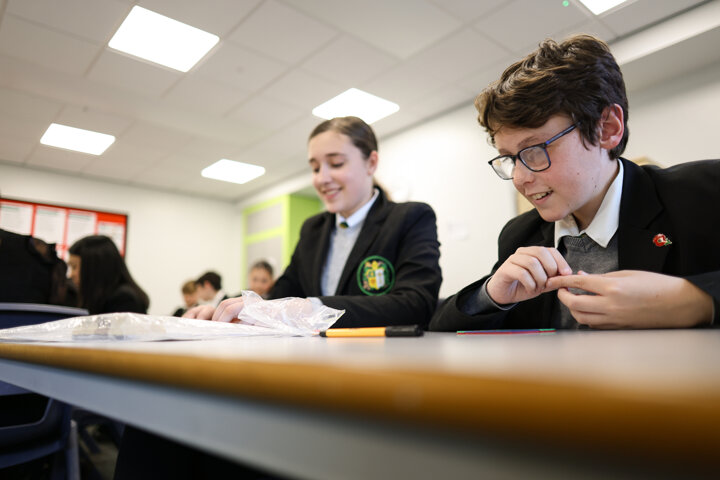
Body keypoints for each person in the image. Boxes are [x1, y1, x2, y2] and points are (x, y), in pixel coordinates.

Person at [430, 34, 720, 332]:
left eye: (535, 150)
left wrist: (698, 301)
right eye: (510, 158)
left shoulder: (704, 194)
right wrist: (490, 295)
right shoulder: (519, 234)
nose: (519, 178)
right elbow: (440, 328)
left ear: (607, 129)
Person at [185, 116, 442, 328]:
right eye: (316, 168)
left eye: (336, 163)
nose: (321, 178)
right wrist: (232, 311)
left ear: (371, 163)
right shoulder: (313, 229)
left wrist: (313, 308)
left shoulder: (410, 217)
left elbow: (416, 304)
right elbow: (282, 294)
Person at [68, 235, 149, 315]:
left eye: (74, 267)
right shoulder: (93, 296)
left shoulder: (124, 300)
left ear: (94, 268)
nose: (71, 275)